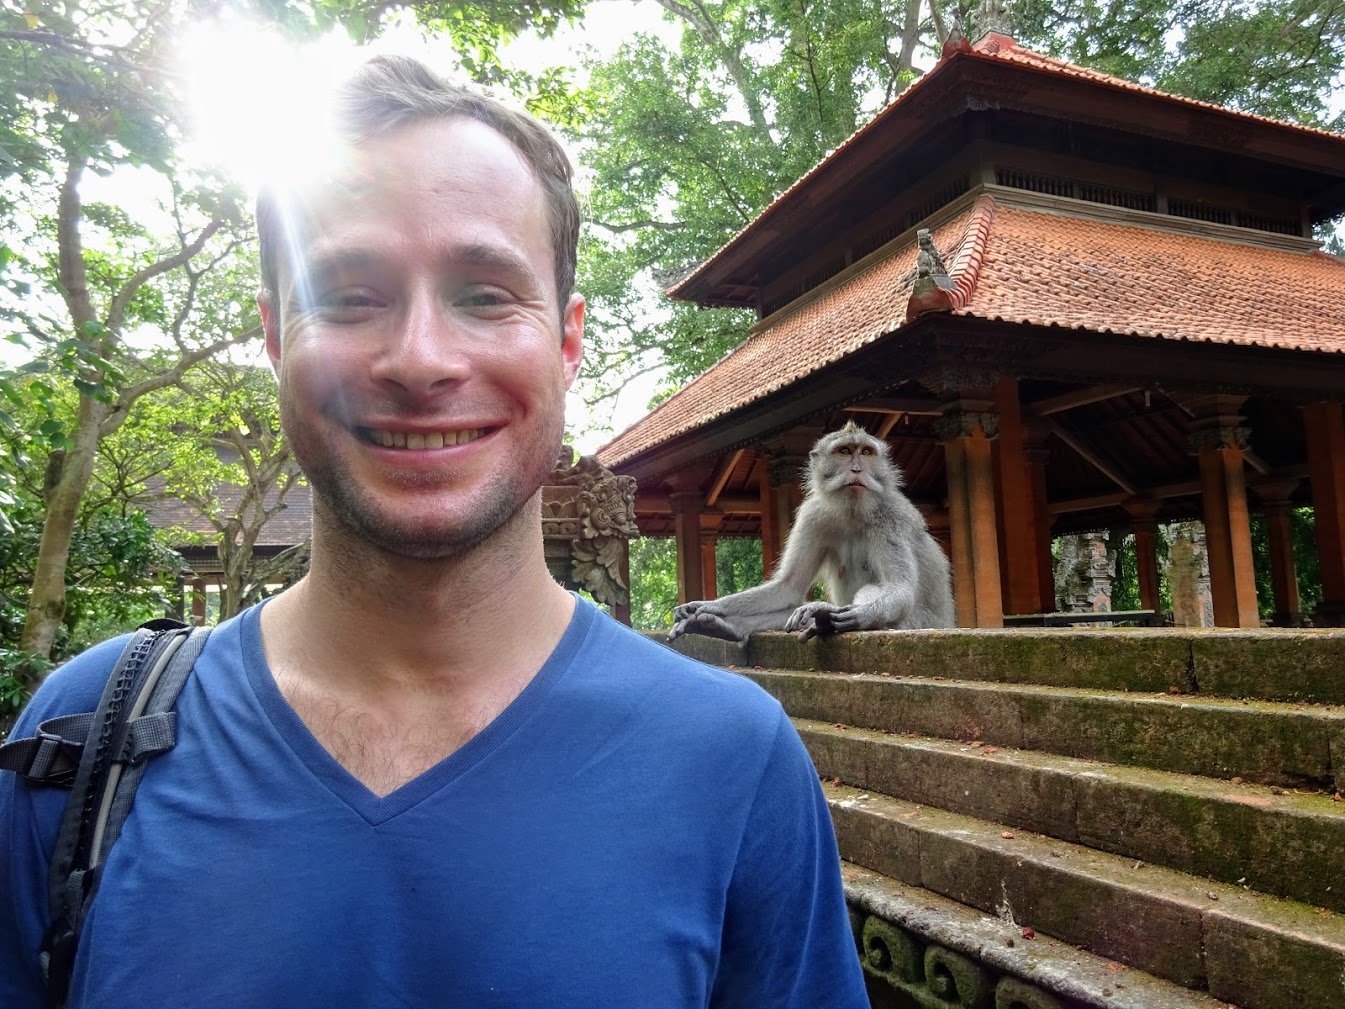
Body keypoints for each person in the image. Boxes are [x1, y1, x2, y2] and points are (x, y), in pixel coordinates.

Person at [1, 55, 869, 1008]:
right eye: (349, 294)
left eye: (485, 293)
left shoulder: (730, 758)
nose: (419, 360)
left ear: (568, 338)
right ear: (273, 334)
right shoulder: (87, 740)